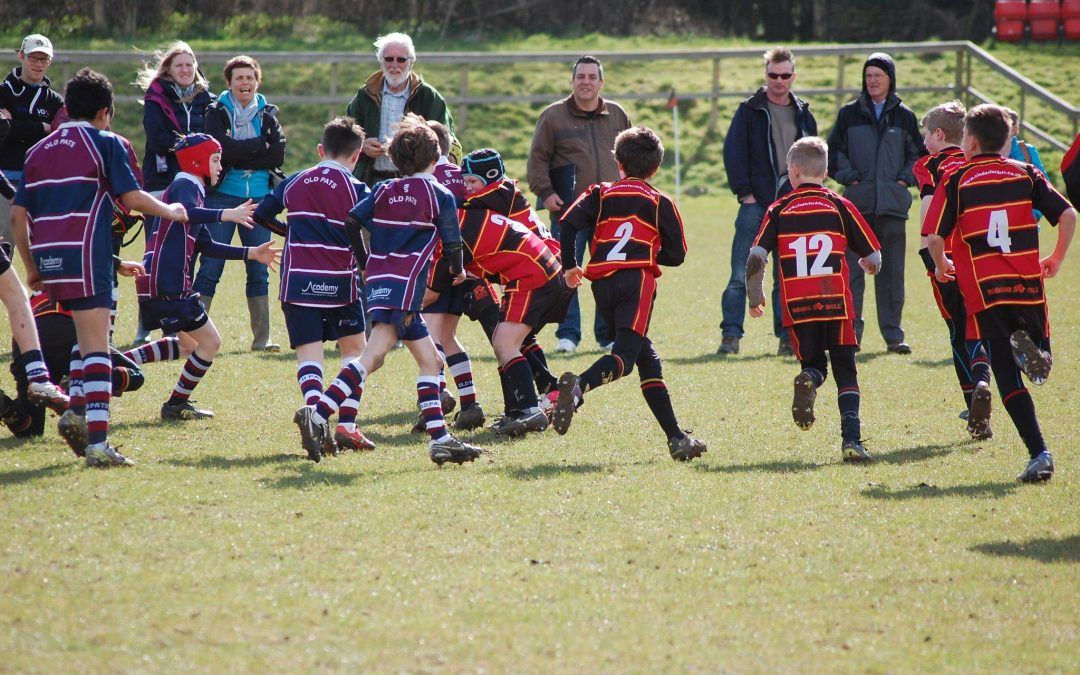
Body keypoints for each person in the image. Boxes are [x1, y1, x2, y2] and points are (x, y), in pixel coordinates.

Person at [11, 68, 188, 467]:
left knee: (82, 337)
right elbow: (133, 198)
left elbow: (18, 213)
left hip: (49, 258)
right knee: (95, 348)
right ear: (106, 112)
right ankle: (98, 443)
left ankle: (75, 408)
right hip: (87, 255)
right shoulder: (107, 142)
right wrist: (171, 210)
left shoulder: (38, 150)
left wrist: (31, 265)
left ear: (67, 107)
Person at [293, 114, 483, 466]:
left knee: (432, 359)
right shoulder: (438, 192)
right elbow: (453, 243)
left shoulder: (383, 189)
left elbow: (352, 220)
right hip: (408, 284)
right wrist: (457, 272)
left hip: (380, 282)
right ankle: (318, 414)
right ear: (435, 155)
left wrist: (365, 260)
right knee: (372, 356)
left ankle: (440, 440)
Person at [925, 104, 1076, 483]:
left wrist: (942, 265)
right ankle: (1037, 352)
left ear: (970, 142)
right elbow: (1069, 215)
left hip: (985, 292)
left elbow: (933, 236)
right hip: (1026, 284)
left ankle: (1039, 453)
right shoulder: (1027, 172)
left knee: (1007, 378)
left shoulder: (957, 179)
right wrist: (1056, 257)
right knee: (1037, 354)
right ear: (1007, 141)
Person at [550, 126, 707, 462]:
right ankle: (578, 387)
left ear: (618, 162)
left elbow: (567, 224)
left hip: (601, 283)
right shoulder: (659, 201)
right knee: (623, 359)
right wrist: (648, 252)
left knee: (646, 358)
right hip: (636, 282)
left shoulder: (599, 193)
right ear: (656, 167)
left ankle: (677, 438)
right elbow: (678, 255)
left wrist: (570, 265)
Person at [745, 137, 882, 462]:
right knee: (846, 371)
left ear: (793, 171)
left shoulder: (779, 208)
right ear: (826, 171)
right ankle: (851, 441)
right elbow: (874, 255)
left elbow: (756, 255)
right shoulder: (839, 204)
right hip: (835, 302)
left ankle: (809, 378)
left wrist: (756, 294)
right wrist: (868, 264)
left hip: (798, 305)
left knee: (815, 364)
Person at [253, 117, 377, 452]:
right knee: (356, 353)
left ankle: (313, 411)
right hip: (340, 281)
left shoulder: (294, 181)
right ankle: (346, 425)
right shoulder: (358, 188)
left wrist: (288, 232)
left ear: (320, 150)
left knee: (309, 354)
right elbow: (366, 230)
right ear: (356, 157)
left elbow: (261, 215)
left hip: (297, 281)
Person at [136, 133, 279, 422]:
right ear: (197, 160)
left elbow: (207, 244)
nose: (219, 167)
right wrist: (226, 213)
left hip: (167, 281)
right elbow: (188, 214)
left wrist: (251, 253)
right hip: (167, 282)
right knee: (210, 343)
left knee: (189, 345)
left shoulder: (192, 188)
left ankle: (117, 366)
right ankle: (172, 402)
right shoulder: (186, 184)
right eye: (215, 160)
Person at [444, 147, 569, 438]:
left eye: (472, 181)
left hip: (539, 268)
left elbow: (461, 206)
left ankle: (536, 402)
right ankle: (525, 405)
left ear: (491, 178)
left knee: (506, 340)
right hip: (538, 267)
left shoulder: (498, 193)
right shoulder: (501, 192)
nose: (467, 187)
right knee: (511, 337)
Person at [527, 55, 631, 354]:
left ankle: (608, 333)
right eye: (580, 77)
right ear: (572, 81)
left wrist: (630, 190)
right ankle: (568, 334)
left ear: (601, 82)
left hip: (611, 211)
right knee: (567, 272)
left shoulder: (618, 115)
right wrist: (545, 192)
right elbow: (537, 159)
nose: (586, 82)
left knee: (609, 272)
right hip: (570, 210)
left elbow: (632, 156)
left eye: (591, 77)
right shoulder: (553, 116)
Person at [719, 47, 817, 357]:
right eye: (773, 75)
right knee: (740, 272)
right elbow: (733, 154)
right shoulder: (748, 111)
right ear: (766, 75)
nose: (779, 81)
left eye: (785, 75)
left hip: (792, 204)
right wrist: (745, 194)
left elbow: (815, 157)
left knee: (786, 274)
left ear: (793, 76)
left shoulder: (804, 113)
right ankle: (730, 336)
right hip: (756, 204)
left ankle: (787, 339)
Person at [827, 52, 926, 354]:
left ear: (890, 79)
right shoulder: (848, 114)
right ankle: (852, 335)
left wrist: (902, 180)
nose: (872, 81)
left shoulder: (904, 116)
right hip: (856, 208)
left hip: (893, 208)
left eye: (878, 76)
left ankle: (893, 336)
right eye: (868, 76)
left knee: (892, 275)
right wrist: (850, 178)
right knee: (853, 274)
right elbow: (832, 151)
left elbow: (919, 156)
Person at [193, 55, 286, 352]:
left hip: (259, 199)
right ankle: (194, 335)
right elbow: (221, 151)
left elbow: (277, 156)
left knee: (260, 268)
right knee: (211, 265)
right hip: (222, 198)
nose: (245, 82)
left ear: (257, 81)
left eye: (250, 77)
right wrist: (259, 146)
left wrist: (239, 151)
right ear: (230, 83)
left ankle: (262, 339)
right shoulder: (216, 111)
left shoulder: (268, 113)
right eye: (239, 78)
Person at [913, 101, 992, 439]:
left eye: (926, 135)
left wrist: (930, 253)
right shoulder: (977, 162)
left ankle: (972, 401)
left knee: (956, 328)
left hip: (944, 254)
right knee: (978, 324)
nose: (924, 142)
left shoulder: (928, 165)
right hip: (981, 256)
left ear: (939, 135)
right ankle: (985, 380)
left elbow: (930, 205)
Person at [132, 41, 214, 345]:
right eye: (179, 64)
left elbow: (214, 138)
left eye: (189, 64)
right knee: (154, 255)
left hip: (193, 183)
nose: (185, 70)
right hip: (161, 180)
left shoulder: (207, 99)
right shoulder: (155, 96)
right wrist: (194, 147)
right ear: (168, 68)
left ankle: (176, 324)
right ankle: (145, 322)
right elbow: (157, 138)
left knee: (185, 253)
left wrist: (197, 150)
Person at [344, 32, 454, 185]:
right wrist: (362, 146)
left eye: (401, 59)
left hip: (416, 180)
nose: (394, 65)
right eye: (389, 59)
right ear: (381, 62)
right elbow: (346, 135)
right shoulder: (365, 94)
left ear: (411, 62)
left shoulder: (429, 97)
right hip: (370, 179)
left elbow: (446, 142)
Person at [0, 34, 63, 244]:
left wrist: (16, 125)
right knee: (6, 244)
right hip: (6, 177)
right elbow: (3, 130)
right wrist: (40, 127)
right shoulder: (3, 92)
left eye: (43, 59)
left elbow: (59, 136)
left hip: (40, 180)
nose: (38, 64)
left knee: (43, 246)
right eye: (33, 58)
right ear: (21, 56)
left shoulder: (55, 101)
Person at [1005, 108, 1048, 222]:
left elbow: (1045, 186)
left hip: (1027, 225)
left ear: (1015, 130)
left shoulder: (1027, 151)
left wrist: (1034, 215)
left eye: (1004, 126)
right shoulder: (989, 151)